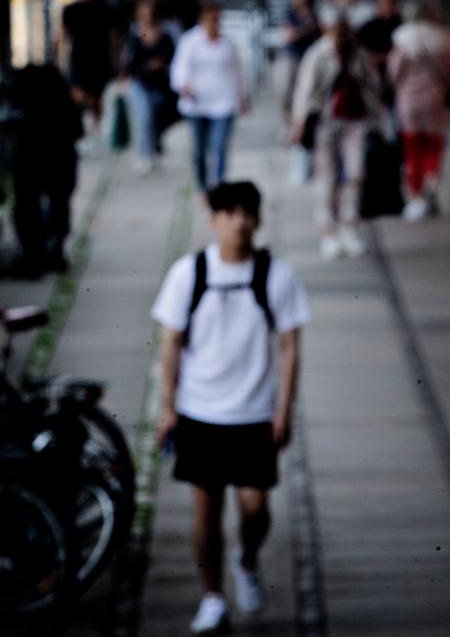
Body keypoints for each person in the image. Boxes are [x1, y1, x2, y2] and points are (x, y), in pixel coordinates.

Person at [152, 181, 310, 633]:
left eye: (248, 213)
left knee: (256, 509)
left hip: (254, 414)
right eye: (231, 213)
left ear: (258, 220)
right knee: (206, 513)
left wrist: (284, 408)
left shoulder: (276, 276)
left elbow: (291, 347)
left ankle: (246, 558)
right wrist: (169, 406)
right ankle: (213, 596)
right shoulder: (190, 273)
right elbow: (170, 342)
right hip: (200, 413)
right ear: (215, 220)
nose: (240, 222)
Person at [291, 8, 381, 261]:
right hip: (325, 121)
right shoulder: (318, 54)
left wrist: (378, 120)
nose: (341, 37)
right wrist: (299, 122)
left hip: (355, 120)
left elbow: (371, 86)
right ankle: (329, 232)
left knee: (355, 174)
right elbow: (305, 90)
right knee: (327, 178)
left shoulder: (357, 54)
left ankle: (349, 227)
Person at [388, 0, 450, 221]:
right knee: (434, 143)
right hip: (436, 99)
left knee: (413, 147)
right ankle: (432, 182)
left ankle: (416, 194)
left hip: (409, 101)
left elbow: (394, 73)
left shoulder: (402, 40)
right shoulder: (443, 40)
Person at [11, 64, 82, 277]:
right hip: (61, 159)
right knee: (59, 205)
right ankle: (55, 252)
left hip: (30, 158)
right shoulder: (64, 103)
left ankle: (33, 255)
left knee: (27, 206)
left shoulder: (25, 108)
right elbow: (78, 131)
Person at [171, 1, 245, 197]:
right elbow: (180, 67)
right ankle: (203, 185)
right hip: (198, 102)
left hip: (223, 101)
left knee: (220, 146)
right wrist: (183, 84)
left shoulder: (227, 43)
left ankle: (219, 186)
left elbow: (237, 71)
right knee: (199, 150)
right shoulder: (190, 41)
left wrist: (243, 96)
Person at [123, 0, 175, 176]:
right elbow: (129, 62)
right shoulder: (136, 34)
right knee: (143, 118)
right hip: (140, 84)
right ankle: (143, 155)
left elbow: (172, 56)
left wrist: (161, 63)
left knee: (154, 120)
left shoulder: (165, 33)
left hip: (160, 85)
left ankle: (153, 151)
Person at [57, 0, 115, 129]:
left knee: (98, 97)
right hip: (78, 59)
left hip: (100, 60)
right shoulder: (71, 10)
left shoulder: (106, 9)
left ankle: (97, 126)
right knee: (78, 95)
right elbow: (62, 37)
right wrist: (60, 61)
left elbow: (114, 37)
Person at [358, 0, 401, 104]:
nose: (386, 6)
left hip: (396, 80)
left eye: (389, 2)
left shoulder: (401, 26)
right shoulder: (367, 27)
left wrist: (386, 57)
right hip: (374, 78)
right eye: (382, 2)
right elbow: (361, 51)